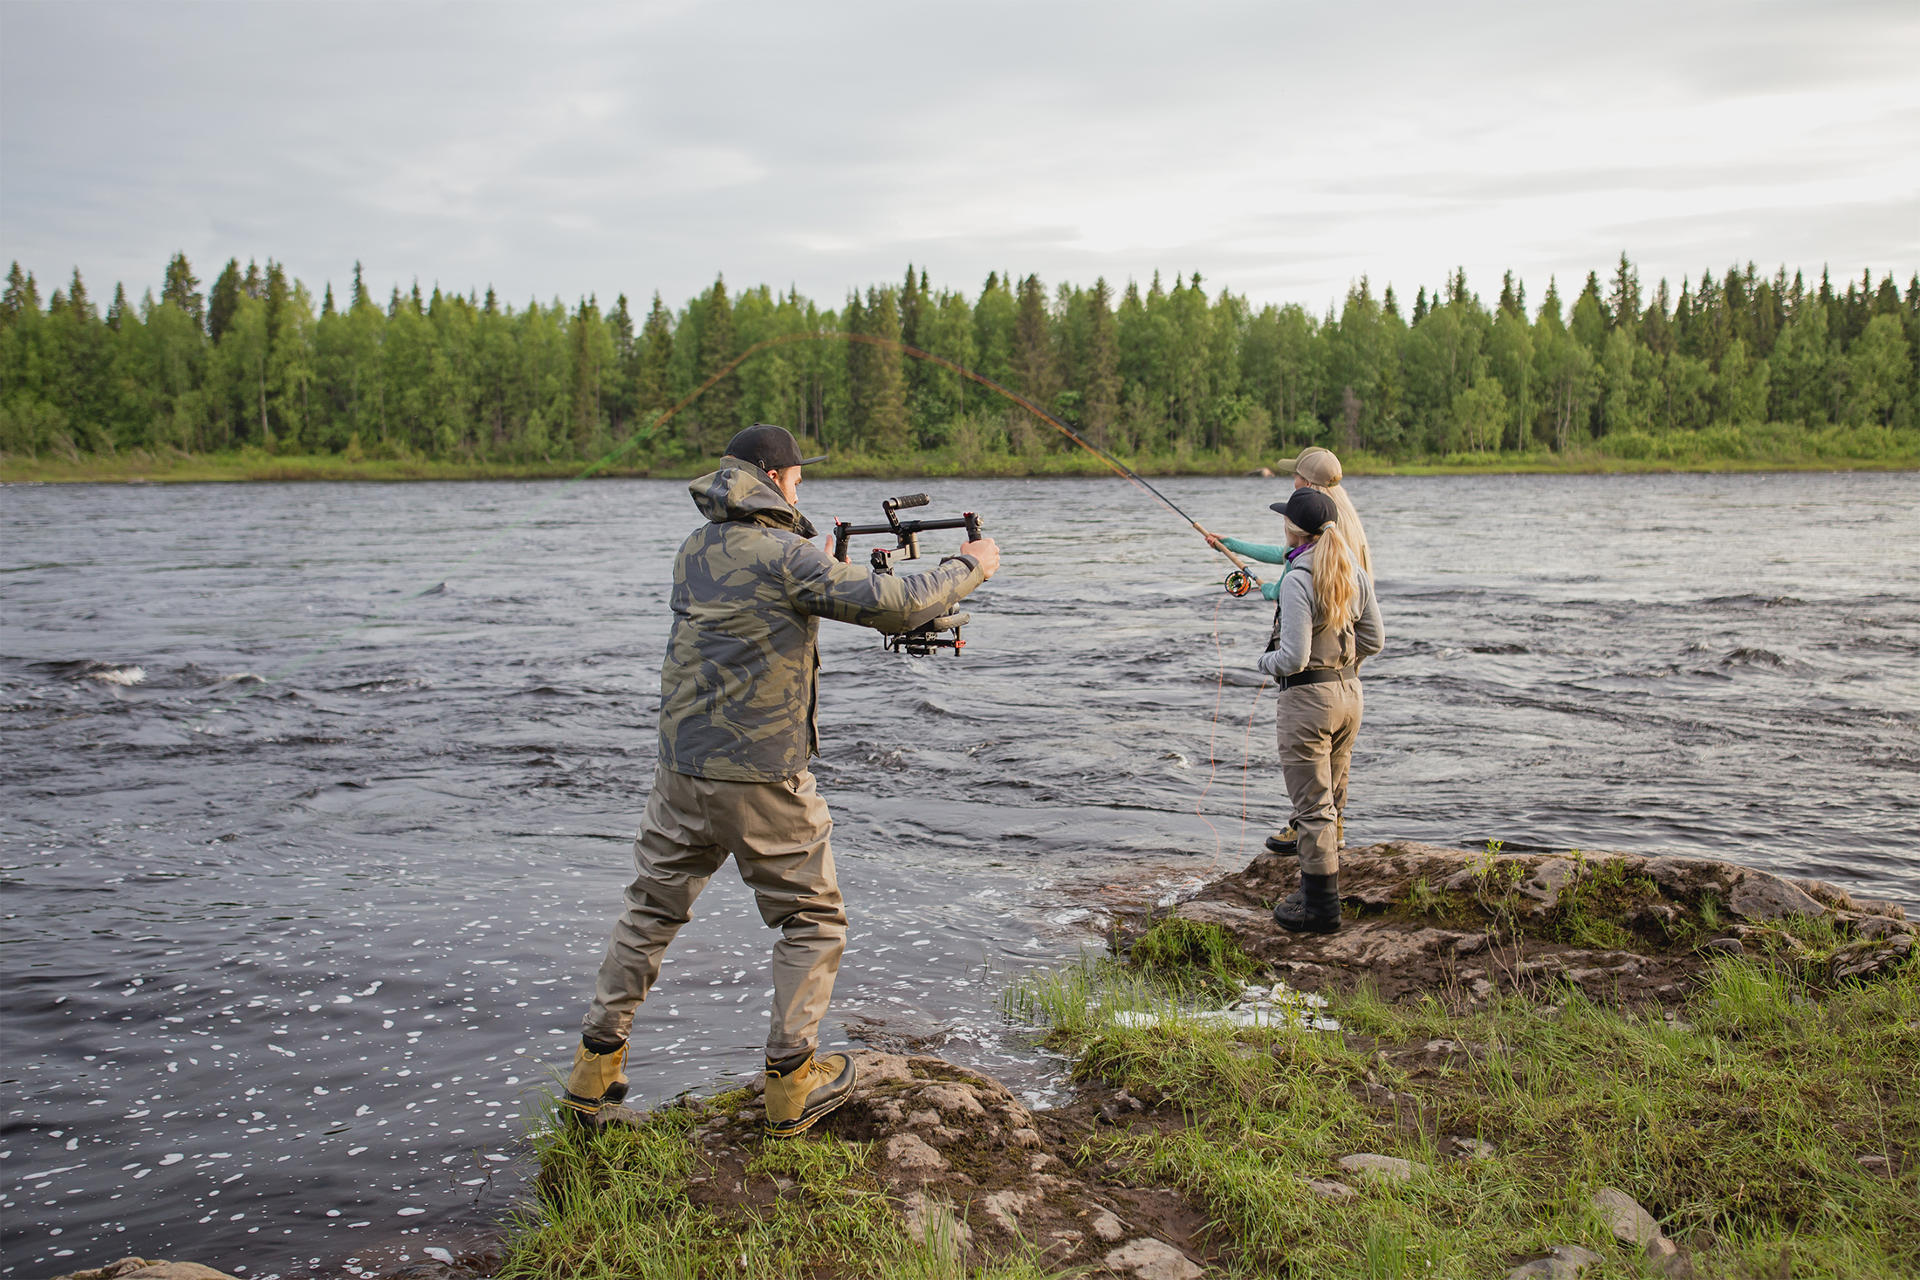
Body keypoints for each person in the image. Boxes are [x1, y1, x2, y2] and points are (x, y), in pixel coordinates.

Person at [561, 423, 1000, 1137]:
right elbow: (897, 604)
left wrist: (813, 562)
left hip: (680, 769)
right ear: (773, 479)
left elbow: (762, 595)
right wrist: (969, 564)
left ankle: (592, 1073)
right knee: (813, 919)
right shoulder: (785, 557)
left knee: (650, 913)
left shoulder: (696, 548)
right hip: (761, 775)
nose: (801, 489)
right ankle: (793, 1082)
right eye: (796, 478)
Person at [1200, 443, 1372, 854]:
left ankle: (1310, 835)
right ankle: (1334, 825)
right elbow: (1291, 559)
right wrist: (1233, 545)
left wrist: (1272, 598)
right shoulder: (1334, 525)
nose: (1291, 479)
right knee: (1335, 755)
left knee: (1312, 758)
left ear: (1308, 483)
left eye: (1295, 475)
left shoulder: (1325, 541)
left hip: (1317, 668)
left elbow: (1299, 586)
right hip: (1345, 670)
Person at [1251, 487, 1382, 932]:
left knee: (1312, 808)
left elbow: (1293, 658)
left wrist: (1262, 662)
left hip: (1308, 701)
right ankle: (1322, 892)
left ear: (1293, 529)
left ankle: (1321, 910)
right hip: (1350, 696)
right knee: (1332, 798)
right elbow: (1375, 641)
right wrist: (1341, 666)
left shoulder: (1296, 579)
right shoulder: (1353, 570)